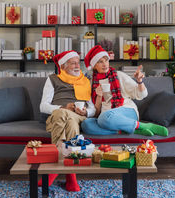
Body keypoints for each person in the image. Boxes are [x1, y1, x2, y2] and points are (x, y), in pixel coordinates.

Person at [81, 45, 168, 137]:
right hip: (106, 118)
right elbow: (96, 112)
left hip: (126, 111)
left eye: (106, 60)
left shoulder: (119, 75)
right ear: (94, 66)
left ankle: (144, 125)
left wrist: (139, 81)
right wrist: (99, 96)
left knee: (103, 118)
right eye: (100, 62)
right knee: (86, 124)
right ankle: (129, 130)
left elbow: (141, 95)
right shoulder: (91, 83)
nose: (105, 64)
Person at [39, 50, 95, 191]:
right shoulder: (52, 79)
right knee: (66, 118)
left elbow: (93, 108)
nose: (77, 66)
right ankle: (71, 177)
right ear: (63, 66)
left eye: (78, 62)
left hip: (78, 116)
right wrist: (63, 107)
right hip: (58, 116)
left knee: (69, 117)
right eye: (73, 63)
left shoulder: (85, 81)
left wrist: (86, 112)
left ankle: (54, 169)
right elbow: (43, 106)